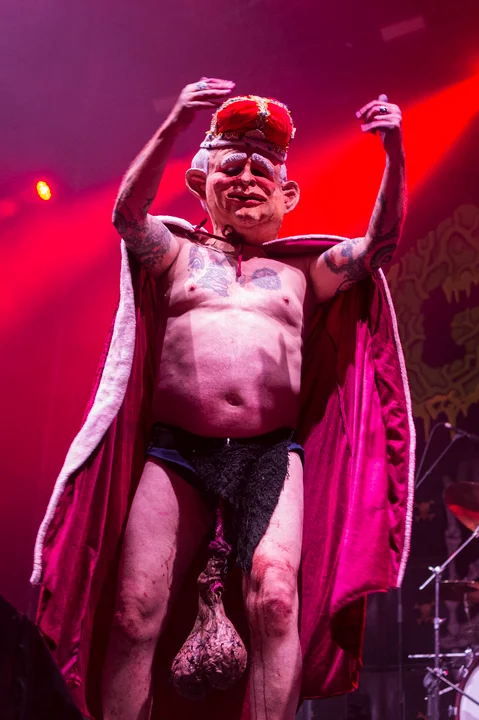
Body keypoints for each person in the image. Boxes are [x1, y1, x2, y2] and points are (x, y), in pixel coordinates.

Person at [32, 78, 414, 720]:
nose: (246, 179)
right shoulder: (175, 254)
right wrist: (175, 122)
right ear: (200, 182)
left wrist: (395, 152)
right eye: (230, 167)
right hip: (178, 454)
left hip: (270, 455)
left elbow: (378, 246)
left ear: (288, 194)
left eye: (262, 170)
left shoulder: (304, 272)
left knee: (276, 601)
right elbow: (127, 216)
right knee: (134, 612)